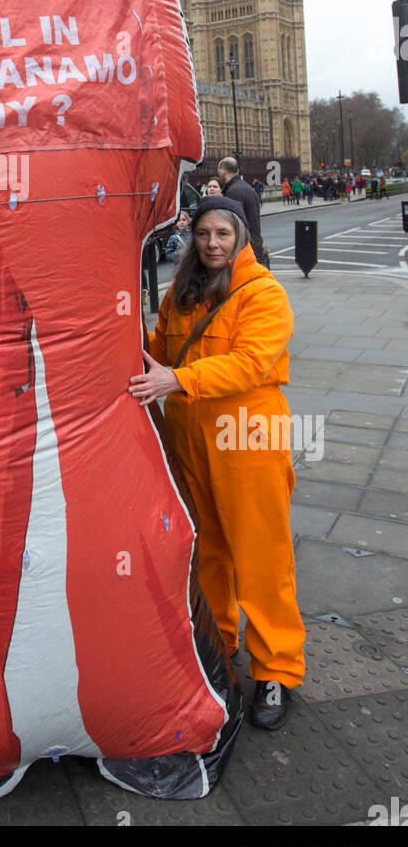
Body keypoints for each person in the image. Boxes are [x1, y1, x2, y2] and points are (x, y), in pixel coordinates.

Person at [129, 196, 304, 729]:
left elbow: (252, 362)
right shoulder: (182, 294)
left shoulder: (264, 294)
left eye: (222, 235)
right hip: (192, 435)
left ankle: (276, 669)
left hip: (248, 433)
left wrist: (177, 380)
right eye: (203, 234)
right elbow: (165, 349)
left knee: (260, 555)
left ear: (242, 237)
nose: (211, 244)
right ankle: (220, 646)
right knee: (209, 548)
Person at [217, 156, 264, 263]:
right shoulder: (247, 187)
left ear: (222, 171)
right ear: (237, 171)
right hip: (254, 243)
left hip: (243, 248)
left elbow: (233, 224)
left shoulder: (232, 192)